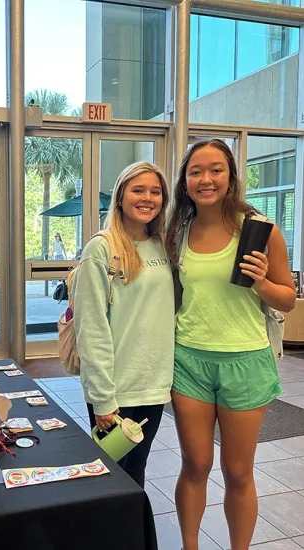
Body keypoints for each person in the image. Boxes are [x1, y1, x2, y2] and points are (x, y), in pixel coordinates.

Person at [165, 139, 296, 550]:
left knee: (239, 472)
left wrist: (260, 282)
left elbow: (288, 299)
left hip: (245, 361)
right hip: (189, 361)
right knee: (195, 465)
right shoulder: (177, 231)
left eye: (216, 169)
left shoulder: (259, 230)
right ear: (185, 181)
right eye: (196, 171)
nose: (206, 179)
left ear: (231, 176)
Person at [73, 161, 175, 488]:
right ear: (120, 197)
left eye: (155, 191)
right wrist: (102, 397)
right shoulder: (102, 248)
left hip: (154, 384)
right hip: (116, 388)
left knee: (136, 472)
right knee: (111, 480)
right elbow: (91, 327)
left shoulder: (163, 246)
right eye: (138, 190)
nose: (147, 198)